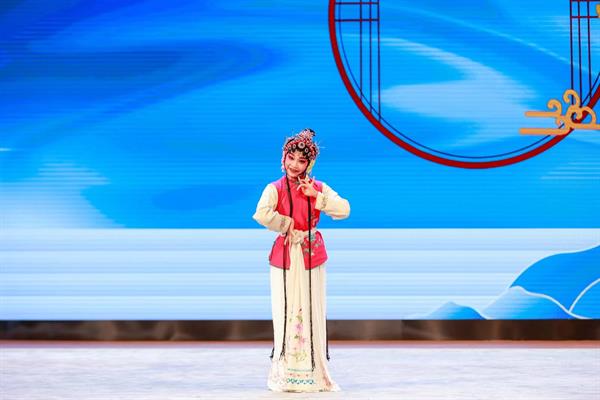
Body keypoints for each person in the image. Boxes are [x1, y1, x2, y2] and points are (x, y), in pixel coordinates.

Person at [252, 128, 350, 392]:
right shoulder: (274, 188)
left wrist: (316, 197)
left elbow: (344, 209)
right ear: (283, 158)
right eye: (291, 158)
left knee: (312, 309)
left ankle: (314, 373)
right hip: (286, 254)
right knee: (284, 309)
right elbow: (261, 213)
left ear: (310, 164)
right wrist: (287, 225)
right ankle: (285, 373)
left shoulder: (318, 187)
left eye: (302, 160)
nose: (295, 165)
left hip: (311, 254)